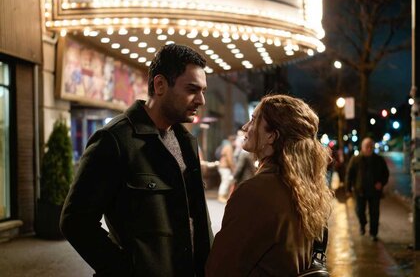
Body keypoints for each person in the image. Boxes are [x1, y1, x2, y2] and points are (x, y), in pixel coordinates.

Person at [60, 44, 213, 277]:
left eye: (203, 90)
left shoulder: (186, 141)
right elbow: (76, 222)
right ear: (160, 85)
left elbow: (197, 218)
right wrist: (124, 270)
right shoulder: (114, 141)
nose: (201, 100)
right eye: (192, 89)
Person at [205, 94, 334, 276]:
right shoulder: (308, 188)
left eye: (253, 120)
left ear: (271, 136)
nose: (245, 127)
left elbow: (220, 269)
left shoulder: (255, 193)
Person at [345, 137, 389, 241]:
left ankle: (373, 233)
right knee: (360, 211)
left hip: (374, 191)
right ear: (362, 147)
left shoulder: (379, 159)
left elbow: (385, 173)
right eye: (367, 147)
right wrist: (348, 189)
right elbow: (349, 174)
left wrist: (381, 183)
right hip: (360, 190)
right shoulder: (355, 159)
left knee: (374, 213)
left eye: (371, 147)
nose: (369, 149)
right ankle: (362, 224)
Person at [216, 135, 236, 203]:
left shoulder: (226, 146)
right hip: (225, 167)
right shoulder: (229, 147)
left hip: (223, 166)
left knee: (225, 181)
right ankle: (221, 196)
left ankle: (223, 196)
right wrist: (233, 168)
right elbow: (229, 159)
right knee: (225, 181)